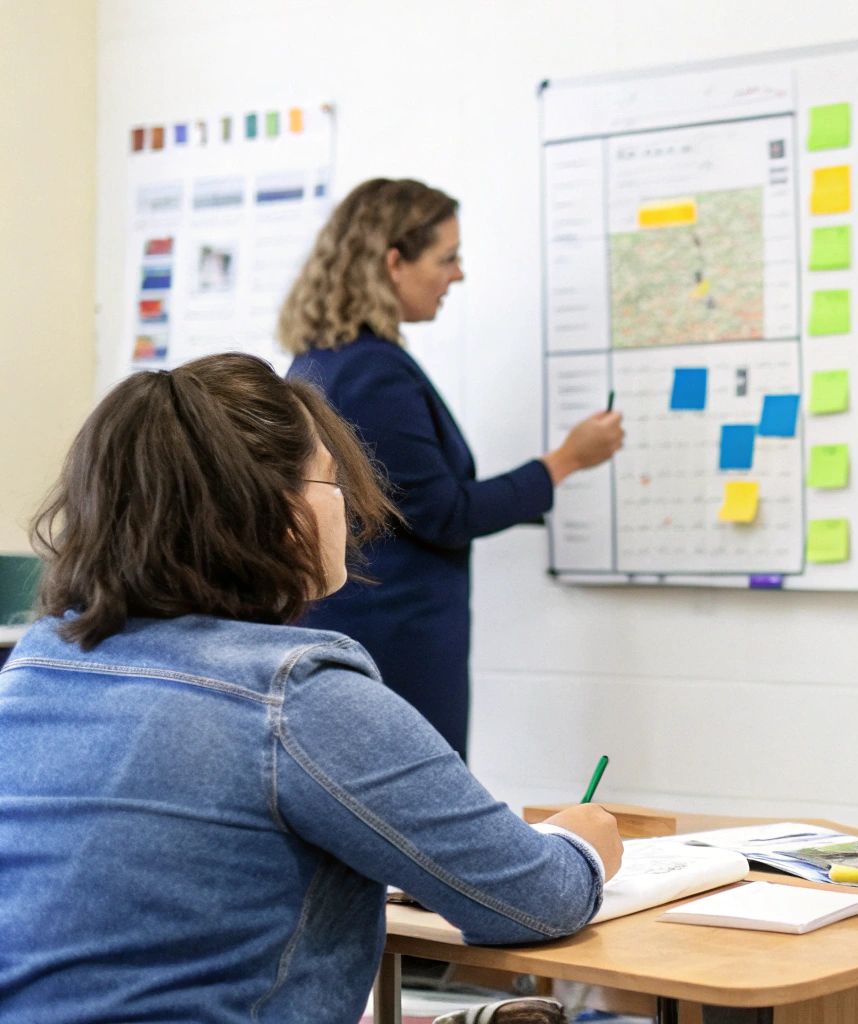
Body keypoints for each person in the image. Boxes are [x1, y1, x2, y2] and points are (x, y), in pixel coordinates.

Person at [0, 353, 624, 1023]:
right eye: (331, 481)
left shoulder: (35, 665)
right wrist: (582, 843)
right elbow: (531, 899)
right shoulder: (296, 693)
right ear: (279, 512)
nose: (350, 511)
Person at [278, 178, 623, 759]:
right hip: (394, 642)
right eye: (447, 257)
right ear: (394, 262)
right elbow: (444, 513)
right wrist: (567, 460)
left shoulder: (323, 359)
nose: (457, 274)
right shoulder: (372, 372)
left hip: (360, 630)